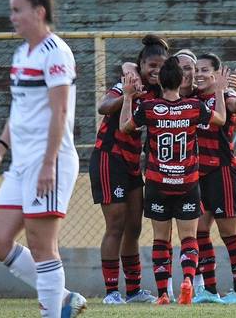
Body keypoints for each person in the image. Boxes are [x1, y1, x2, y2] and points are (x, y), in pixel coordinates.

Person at [0, 0, 86, 318]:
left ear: (38, 12)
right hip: (21, 163)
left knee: (43, 248)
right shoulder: (21, 54)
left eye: (17, 10)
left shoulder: (56, 53)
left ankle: (52, 312)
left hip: (49, 162)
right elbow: (19, 109)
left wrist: (48, 163)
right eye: (11, 10)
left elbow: (59, 113)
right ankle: (65, 299)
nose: (12, 17)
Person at [119, 56, 228, 305]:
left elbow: (126, 127)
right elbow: (221, 119)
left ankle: (163, 294)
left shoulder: (149, 108)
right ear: (181, 81)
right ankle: (188, 279)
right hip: (187, 182)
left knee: (160, 238)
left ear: (161, 81)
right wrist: (220, 91)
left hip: (158, 183)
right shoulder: (193, 107)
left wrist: (127, 96)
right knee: (189, 238)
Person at [89, 35, 167, 304]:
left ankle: (133, 291)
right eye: (151, 66)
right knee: (116, 225)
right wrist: (127, 94)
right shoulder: (129, 84)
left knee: (134, 228)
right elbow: (103, 106)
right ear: (141, 65)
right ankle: (111, 292)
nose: (156, 71)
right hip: (109, 159)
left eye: (161, 66)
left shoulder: (159, 91)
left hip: (133, 163)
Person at [191, 53, 236, 305]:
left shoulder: (226, 96)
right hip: (199, 174)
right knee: (201, 231)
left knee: (228, 233)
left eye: (204, 70)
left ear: (216, 74)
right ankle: (210, 291)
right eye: (196, 70)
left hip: (223, 171)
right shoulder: (191, 99)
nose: (199, 74)